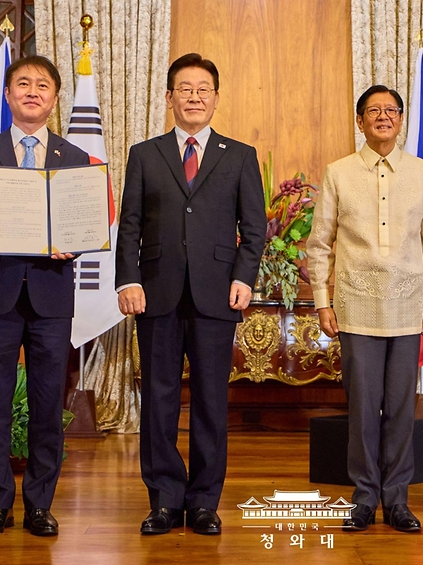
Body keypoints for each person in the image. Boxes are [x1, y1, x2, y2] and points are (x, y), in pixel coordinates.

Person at [116, 53, 266, 536]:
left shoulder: (239, 155)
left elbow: (255, 228)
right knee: (158, 400)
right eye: (185, 88)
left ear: (216, 98)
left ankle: (203, 501)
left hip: (218, 294)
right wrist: (128, 279)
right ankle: (163, 500)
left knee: (208, 402)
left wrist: (244, 277)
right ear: (169, 97)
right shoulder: (145, 153)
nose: (194, 96)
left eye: (203, 89)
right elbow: (131, 225)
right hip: (155, 294)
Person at [0, 55, 90, 537]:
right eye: (23, 84)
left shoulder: (74, 158)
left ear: (54, 99)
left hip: (51, 298)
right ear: (8, 97)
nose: (33, 91)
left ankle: (38, 505)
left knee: (48, 404)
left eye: (43, 86)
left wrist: (79, 235)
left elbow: (87, 223)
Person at [305, 85, 423, 533]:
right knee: (364, 408)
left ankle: (398, 500)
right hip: (355, 305)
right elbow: (319, 245)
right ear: (359, 121)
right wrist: (322, 302)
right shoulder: (338, 173)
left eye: (390, 110)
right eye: (373, 111)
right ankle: (365, 498)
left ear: (401, 120)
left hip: (408, 307)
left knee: (402, 408)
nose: (383, 117)